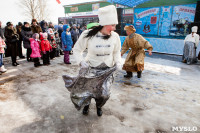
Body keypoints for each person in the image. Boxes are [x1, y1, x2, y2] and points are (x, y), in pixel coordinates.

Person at [63, 5, 121, 117]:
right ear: (105, 23)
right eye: (113, 25)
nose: (114, 28)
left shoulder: (115, 36)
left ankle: (99, 106)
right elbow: (77, 49)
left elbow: (116, 51)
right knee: (88, 90)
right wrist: (81, 61)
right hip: (91, 68)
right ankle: (86, 105)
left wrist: (118, 61)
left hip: (107, 69)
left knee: (104, 94)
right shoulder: (87, 35)